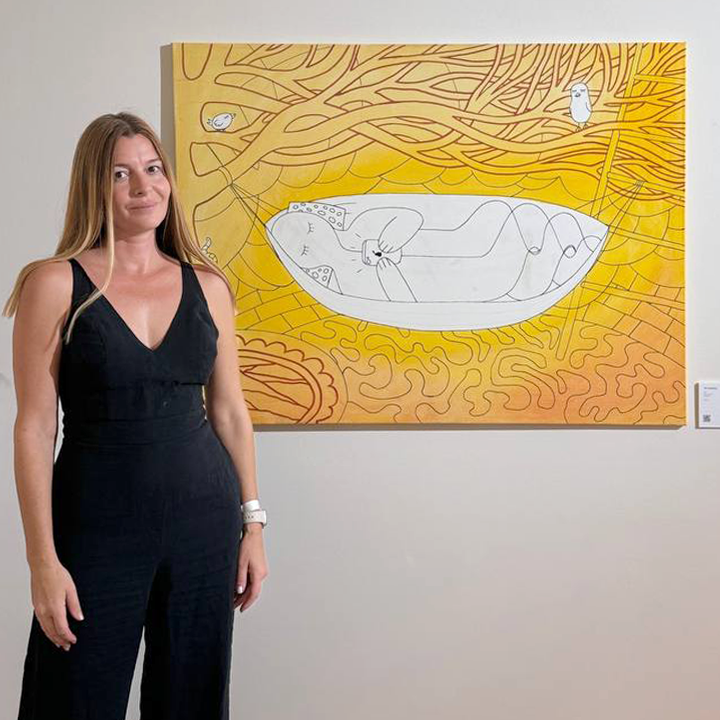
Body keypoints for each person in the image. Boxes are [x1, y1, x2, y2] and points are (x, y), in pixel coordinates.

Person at [4, 112, 269, 719]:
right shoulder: (55, 283)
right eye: (121, 174)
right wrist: (42, 560)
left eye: (153, 169)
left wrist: (252, 525)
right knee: (70, 697)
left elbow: (229, 411)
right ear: (93, 187)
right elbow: (35, 428)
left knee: (191, 701)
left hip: (204, 522)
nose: (143, 187)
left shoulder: (209, 286)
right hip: (94, 525)